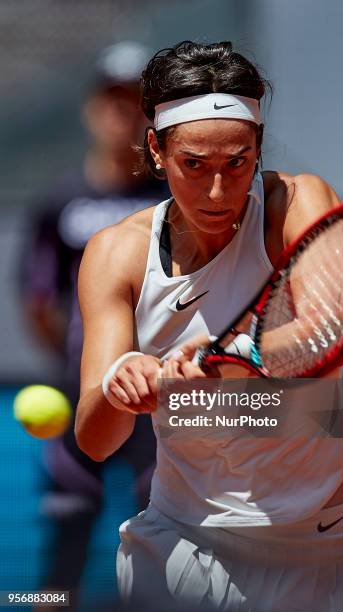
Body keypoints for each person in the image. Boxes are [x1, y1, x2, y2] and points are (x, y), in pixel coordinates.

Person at [75, 41, 343, 611]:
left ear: (258, 148)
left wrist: (227, 354)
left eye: (237, 162)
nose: (218, 191)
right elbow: (96, 441)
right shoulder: (115, 252)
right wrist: (125, 379)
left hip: (327, 550)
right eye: (193, 164)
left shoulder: (296, 202)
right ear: (156, 149)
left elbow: (331, 337)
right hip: (183, 550)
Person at [20, 41, 168, 609]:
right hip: (76, 394)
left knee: (160, 524)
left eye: (135, 103)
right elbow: (39, 300)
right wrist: (82, 367)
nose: (122, 114)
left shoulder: (170, 199)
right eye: (112, 101)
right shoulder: (62, 199)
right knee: (68, 526)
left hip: (157, 400)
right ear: (91, 109)